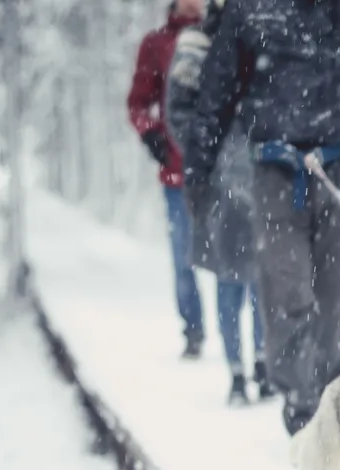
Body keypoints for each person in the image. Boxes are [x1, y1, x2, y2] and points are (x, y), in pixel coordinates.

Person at [171, 0, 340, 435]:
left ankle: (330, 398)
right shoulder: (248, 10)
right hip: (275, 172)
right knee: (287, 291)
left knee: (335, 295)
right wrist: (198, 178)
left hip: (339, 164)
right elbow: (214, 98)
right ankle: (302, 403)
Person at [166, 1, 273, 405]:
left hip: (265, 174)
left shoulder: (266, 32)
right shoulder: (197, 42)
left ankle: (264, 364)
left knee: (265, 275)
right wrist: (211, 152)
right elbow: (179, 111)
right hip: (218, 181)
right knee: (230, 276)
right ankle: (236, 373)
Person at [128, 0, 205, 359]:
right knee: (183, 257)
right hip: (177, 172)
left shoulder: (222, 33)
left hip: (221, 173)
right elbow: (138, 103)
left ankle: (245, 345)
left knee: (238, 257)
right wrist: (152, 136)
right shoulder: (156, 44)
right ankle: (192, 329)